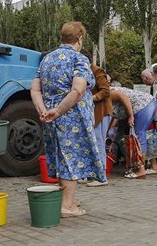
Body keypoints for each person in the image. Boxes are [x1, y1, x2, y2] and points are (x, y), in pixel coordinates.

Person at [30, 21, 106, 218]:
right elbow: (79, 89)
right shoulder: (79, 59)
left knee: (60, 156)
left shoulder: (46, 59)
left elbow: (35, 88)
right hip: (71, 117)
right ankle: (67, 206)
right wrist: (58, 110)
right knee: (72, 157)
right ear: (79, 39)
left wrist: (43, 109)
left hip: (49, 118)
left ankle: (66, 200)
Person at [109, 86, 157, 178]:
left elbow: (123, 96)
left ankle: (140, 170)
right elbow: (114, 121)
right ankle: (137, 168)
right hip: (146, 104)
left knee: (138, 136)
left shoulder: (108, 92)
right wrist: (112, 138)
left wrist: (131, 116)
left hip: (143, 105)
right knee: (136, 136)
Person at [81, 49, 113, 187]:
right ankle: (91, 174)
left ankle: (101, 177)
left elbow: (105, 91)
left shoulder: (97, 70)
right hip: (93, 112)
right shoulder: (83, 71)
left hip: (101, 111)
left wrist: (91, 99)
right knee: (91, 143)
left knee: (99, 143)